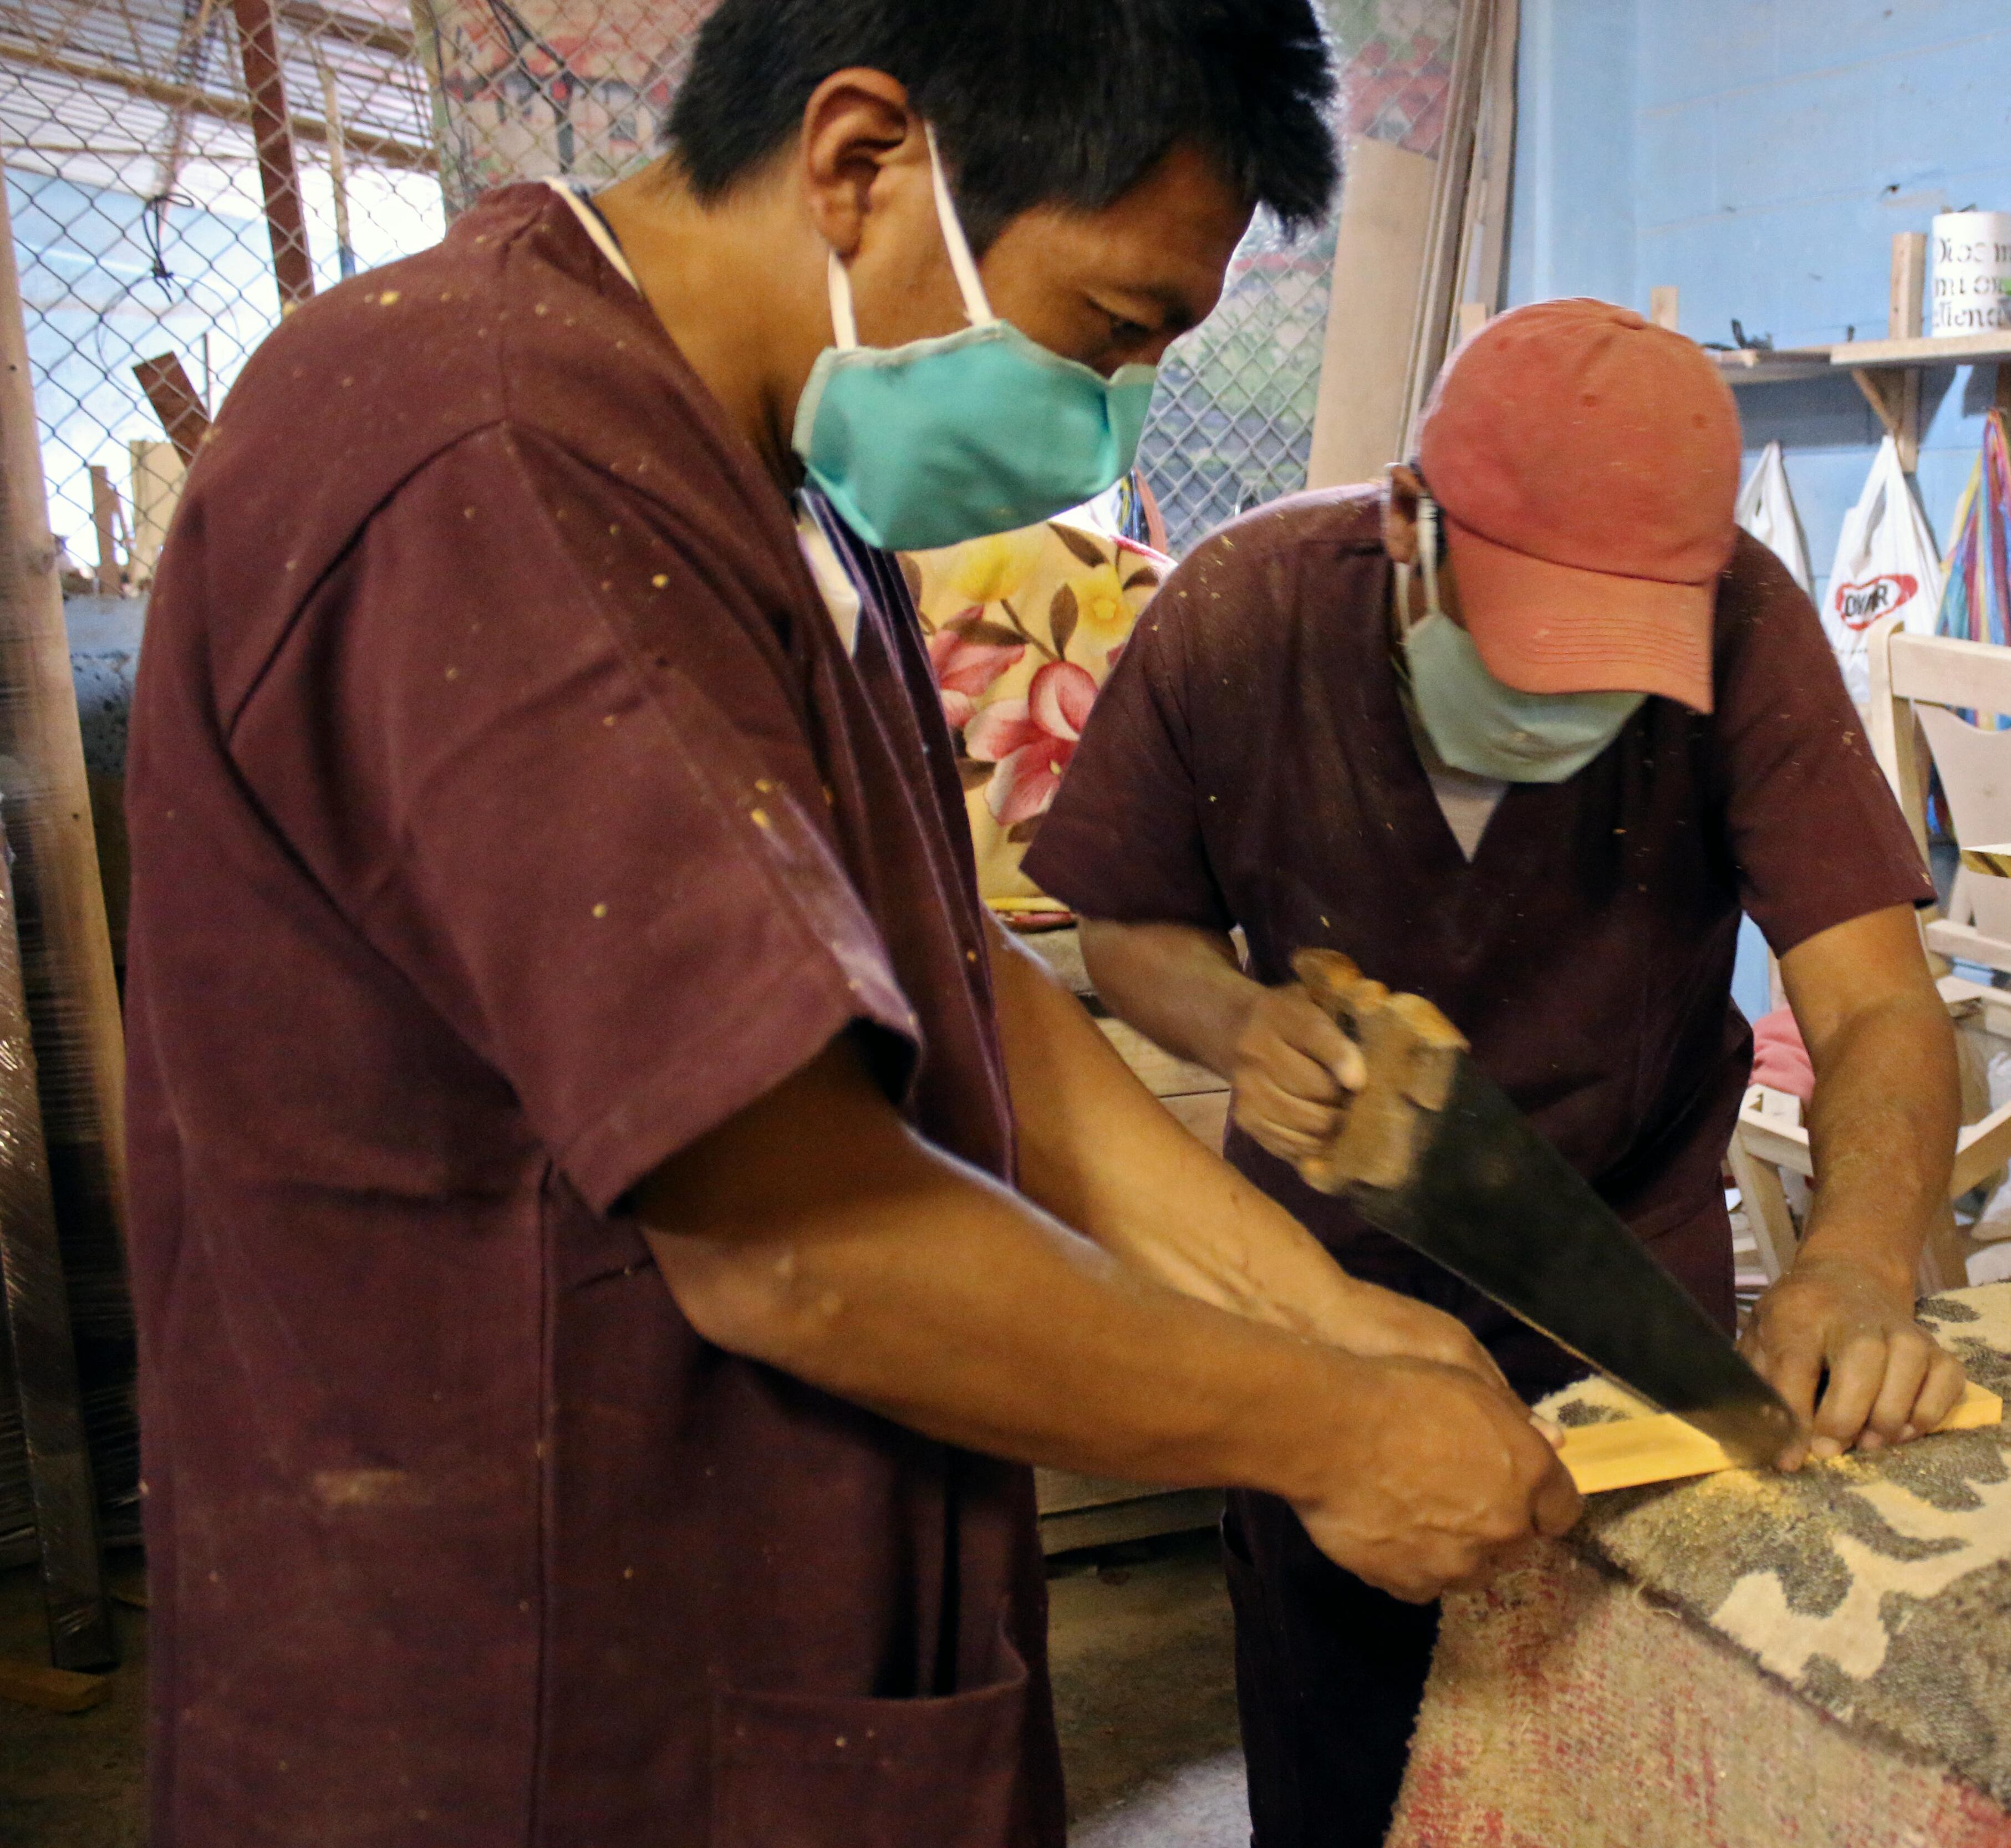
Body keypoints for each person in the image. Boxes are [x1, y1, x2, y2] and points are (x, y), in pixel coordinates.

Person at [122, 4, 1577, 1843]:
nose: (1104, 415)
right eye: (1111, 329)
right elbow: (796, 1241)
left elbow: (958, 987)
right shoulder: (488, 452)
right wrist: (1328, 1431)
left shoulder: (765, 470)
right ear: (862, 160)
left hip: (767, 1603)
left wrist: (1324, 1313)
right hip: (544, 1693)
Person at [1022, 298, 1971, 1848]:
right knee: (1351, 1763)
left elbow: (1873, 1004)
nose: (1557, 710)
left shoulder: (1745, 619)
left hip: (1624, 1288)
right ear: (1411, 521)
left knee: (1621, 1762)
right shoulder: (1243, 609)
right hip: (1310, 1295)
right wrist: (1239, 1027)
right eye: (1525, 653)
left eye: (1610, 673)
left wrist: (1861, 1262)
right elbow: (1131, 932)